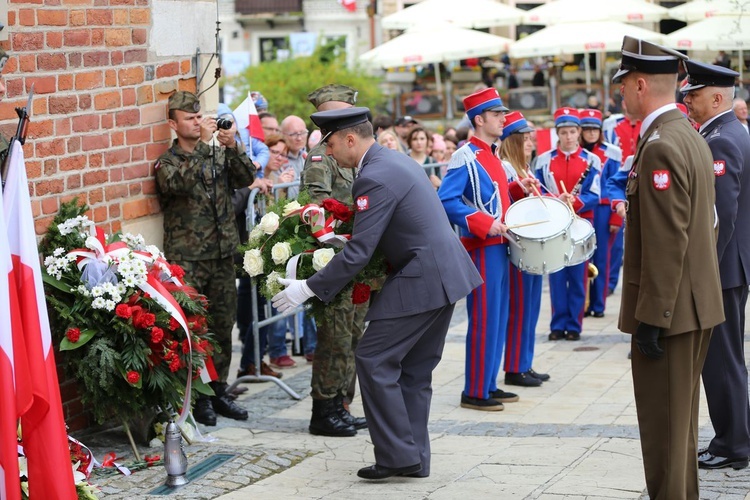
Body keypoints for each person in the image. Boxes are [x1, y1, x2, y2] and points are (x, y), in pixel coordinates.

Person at [272, 107, 482, 480]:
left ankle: (397, 457)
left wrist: (309, 287)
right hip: (443, 274)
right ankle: (413, 457)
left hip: (424, 278)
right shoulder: (391, 162)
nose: (330, 153)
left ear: (350, 139)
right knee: (414, 371)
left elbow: (360, 251)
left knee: (372, 358)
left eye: (332, 144)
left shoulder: (374, 176)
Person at [613, 36, 724, 499]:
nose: (619, 93)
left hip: (670, 311)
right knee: (678, 428)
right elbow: (708, 223)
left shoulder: (660, 144)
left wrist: (652, 318)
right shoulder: (688, 134)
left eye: (623, 85)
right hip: (693, 302)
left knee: (663, 430)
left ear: (641, 84)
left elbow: (667, 240)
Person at [154, 91, 252, 426]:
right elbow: (178, 185)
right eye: (190, 118)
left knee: (224, 325)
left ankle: (220, 390)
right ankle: (198, 396)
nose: (197, 122)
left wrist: (233, 145)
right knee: (194, 330)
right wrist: (205, 148)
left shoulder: (216, 153)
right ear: (173, 124)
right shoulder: (168, 163)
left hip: (223, 254)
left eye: (199, 117)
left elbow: (247, 178)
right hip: (190, 260)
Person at [439, 88, 539, 410]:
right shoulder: (465, 156)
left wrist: (515, 187)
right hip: (482, 247)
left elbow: (496, 194)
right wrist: (483, 223)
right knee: (484, 318)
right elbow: (447, 201)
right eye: (497, 115)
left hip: (501, 246)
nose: (503, 119)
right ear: (479, 120)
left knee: (498, 317)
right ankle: (475, 391)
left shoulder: (493, 156)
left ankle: (488, 382)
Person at [681, 60, 750, 471]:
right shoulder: (726, 132)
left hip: (722, 268)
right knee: (727, 358)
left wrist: (701, 270)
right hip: (731, 265)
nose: (687, 100)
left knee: (721, 360)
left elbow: (720, 214)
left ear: (718, 97)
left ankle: (732, 444)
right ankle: (735, 435)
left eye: (695, 94)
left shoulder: (721, 139)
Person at [300, 84, 368, 438]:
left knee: (354, 334)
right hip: (334, 255)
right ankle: (323, 409)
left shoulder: (355, 152)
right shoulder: (321, 156)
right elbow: (316, 203)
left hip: (358, 258)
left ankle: (343, 403)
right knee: (335, 337)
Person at [534, 107, 602, 341]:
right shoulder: (544, 161)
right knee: (556, 275)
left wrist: (577, 201)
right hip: (555, 225)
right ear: (558, 134)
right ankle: (557, 323)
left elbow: (596, 194)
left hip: (580, 223)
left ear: (578, 132)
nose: (569, 137)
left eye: (573, 132)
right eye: (563, 132)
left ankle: (574, 325)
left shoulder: (591, 160)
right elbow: (538, 192)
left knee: (577, 275)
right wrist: (557, 200)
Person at [498, 111, 549, 388]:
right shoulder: (506, 167)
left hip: (532, 244)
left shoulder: (525, 168)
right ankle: (515, 367)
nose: (531, 142)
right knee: (520, 308)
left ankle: (525, 362)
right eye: (525, 138)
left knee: (531, 306)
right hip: (519, 245)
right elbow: (509, 204)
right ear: (513, 141)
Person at [579, 109, 622, 318]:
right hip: (583, 209)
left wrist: (616, 216)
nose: (591, 133)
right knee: (581, 257)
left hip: (605, 209)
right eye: (587, 129)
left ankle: (598, 304)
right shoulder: (576, 152)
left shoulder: (612, 152)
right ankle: (583, 303)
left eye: (594, 129)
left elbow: (617, 186)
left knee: (602, 258)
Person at [280, 115, 308, 199]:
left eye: (302, 133)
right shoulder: (276, 159)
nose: (299, 138)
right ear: (282, 135)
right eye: (294, 134)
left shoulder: (307, 157)